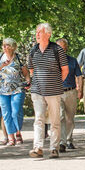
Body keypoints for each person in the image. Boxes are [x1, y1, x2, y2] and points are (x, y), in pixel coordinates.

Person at [28, 23, 69, 158]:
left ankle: (54, 148)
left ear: (48, 34)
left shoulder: (57, 50)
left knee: (55, 120)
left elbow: (65, 70)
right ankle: (38, 147)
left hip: (54, 91)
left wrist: (56, 83)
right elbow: (31, 70)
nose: (37, 34)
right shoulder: (33, 51)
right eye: (36, 32)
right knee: (39, 119)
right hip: (37, 91)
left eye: (40, 31)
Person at [0, 38, 30, 146]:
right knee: (6, 114)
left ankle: (18, 133)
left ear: (12, 47)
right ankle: (11, 138)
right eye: (3, 45)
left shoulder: (19, 58)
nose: (4, 47)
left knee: (16, 112)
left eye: (6, 45)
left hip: (18, 89)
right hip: (1, 91)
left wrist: (28, 80)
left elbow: (25, 73)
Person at [56, 38, 83, 152]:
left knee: (70, 118)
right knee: (60, 116)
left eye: (63, 47)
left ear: (66, 48)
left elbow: (79, 76)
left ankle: (69, 139)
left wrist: (80, 90)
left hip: (71, 91)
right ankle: (62, 142)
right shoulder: (52, 61)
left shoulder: (72, 60)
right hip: (57, 92)